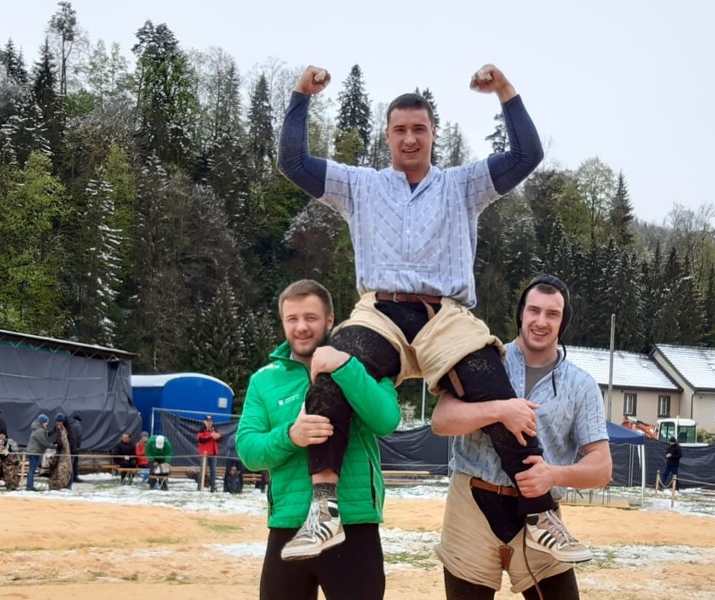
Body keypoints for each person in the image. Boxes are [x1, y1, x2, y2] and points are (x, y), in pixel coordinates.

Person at [277, 63, 578, 563]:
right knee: (330, 368)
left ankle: (542, 515)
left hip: (446, 315)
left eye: (419, 129)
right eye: (400, 130)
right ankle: (324, 509)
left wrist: (504, 90)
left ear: (434, 133)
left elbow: (528, 154)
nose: (410, 139)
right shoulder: (360, 185)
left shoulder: (462, 185)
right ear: (387, 136)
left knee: (496, 389)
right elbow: (293, 162)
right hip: (381, 312)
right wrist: (300, 95)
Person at [432, 276, 611, 598]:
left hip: (540, 516)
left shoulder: (581, 385)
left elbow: (602, 468)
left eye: (552, 314)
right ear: (521, 313)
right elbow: (442, 421)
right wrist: (499, 410)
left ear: (563, 321)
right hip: (471, 506)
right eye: (534, 310)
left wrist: (552, 475)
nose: (541, 321)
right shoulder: (484, 360)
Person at [236, 279, 400, 599]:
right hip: (288, 525)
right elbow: (249, 450)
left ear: (329, 320)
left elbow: (386, 421)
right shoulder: (264, 381)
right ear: (283, 322)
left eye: (310, 317)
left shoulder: (364, 366)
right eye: (292, 319)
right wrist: (291, 436)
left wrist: (345, 368)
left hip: (353, 524)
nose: (301, 327)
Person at [25, 414, 54, 491]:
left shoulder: (38, 429)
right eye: (46, 422)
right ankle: (29, 486)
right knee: (32, 469)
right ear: (42, 422)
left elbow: (45, 435)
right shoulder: (39, 431)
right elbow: (44, 442)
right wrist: (55, 446)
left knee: (32, 469)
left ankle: (29, 485)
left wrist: (53, 432)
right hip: (33, 452)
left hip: (34, 452)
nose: (47, 424)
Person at [197, 415, 222, 492]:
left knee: (213, 471)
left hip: (214, 453)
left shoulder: (214, 429)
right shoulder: (201, 429)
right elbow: (200, 440)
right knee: (203, 471)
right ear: (204, 422)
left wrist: (217, 437)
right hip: (204, 454)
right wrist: (210, 436)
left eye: (210, 421)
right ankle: (200, 487)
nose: (209, 422)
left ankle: (212, 487)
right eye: (208, 421)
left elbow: (219, 438)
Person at [49, 414, 74, 490]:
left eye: (59, 421)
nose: (57, 423)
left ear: (62, 421)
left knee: (69, 469)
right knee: (61, 468)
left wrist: (68, 448)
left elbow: (71, 440)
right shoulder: (58, 428)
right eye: (56, 421)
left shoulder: (67, 429)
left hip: (69, 450)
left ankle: (68, 485)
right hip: (61, 451)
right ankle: (60, 484)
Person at [67, 412, 84, 483]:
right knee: (74, 463)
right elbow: (78, 437)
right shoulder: (78, 426)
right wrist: (78, 447)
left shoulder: (70, 424)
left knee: (71, 462)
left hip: (70, 447)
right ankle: (74, 477)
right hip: (75, 447)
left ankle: (70, 477)